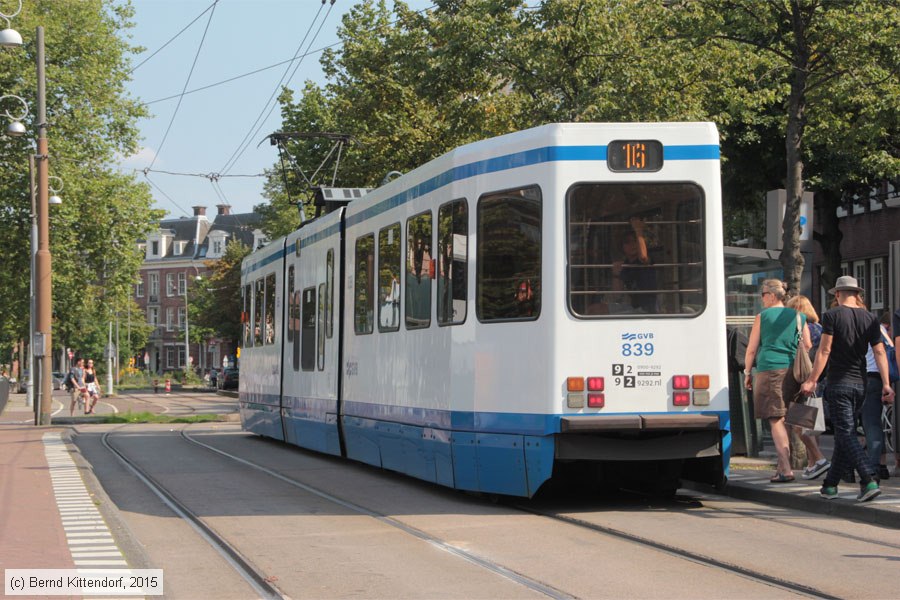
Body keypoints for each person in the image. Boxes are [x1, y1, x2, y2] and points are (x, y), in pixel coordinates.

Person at [800, 275, 895, 502]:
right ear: (857, 293)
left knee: (845, 433)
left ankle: (868, 480)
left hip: (838, 382)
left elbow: (824, 351)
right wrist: (886, 383)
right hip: (861, 384)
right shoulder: (870, 318)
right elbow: (880, 352)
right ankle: (830, 485)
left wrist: (812, 379)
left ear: (838, 294)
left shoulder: (832, 316)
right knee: (847, 433)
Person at [744, 279, 810, 483]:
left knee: (775, 419)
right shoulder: (799, 316)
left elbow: (752, 348)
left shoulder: (762, 317)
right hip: (795, 372)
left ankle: (786, 468)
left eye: (763, 294)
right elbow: (807, 344)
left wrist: (747, 372)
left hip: (770, 370)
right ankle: (788, 466)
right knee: (793, 417)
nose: (761, 298)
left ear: (772, 295)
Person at [785, 295, 830, 479]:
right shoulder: (820, 328)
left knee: (798, 424)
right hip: (819, 380)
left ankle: (818, 461)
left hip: (803, 379)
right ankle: (813, 464)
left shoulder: (799, 330)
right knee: (813, 425)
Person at [860, 313, 893, 480]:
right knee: (876, 424)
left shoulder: (862, 326)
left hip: (866, 376)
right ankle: (881, 465)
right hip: (878, 377)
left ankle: (872, 468)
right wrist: (887, 383)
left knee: (870, 424)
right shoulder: (879, 328)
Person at [612, 217, 657, 313]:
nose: (632, 244)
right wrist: (616, 274)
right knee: (596, 309)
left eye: (635, 241)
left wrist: (638, 230)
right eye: (627, 242)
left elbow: (643, 257)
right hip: (633, 307)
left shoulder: (646, 260)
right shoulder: (626, 265)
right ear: (622, 246)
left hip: (648, 308)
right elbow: (617, 295)